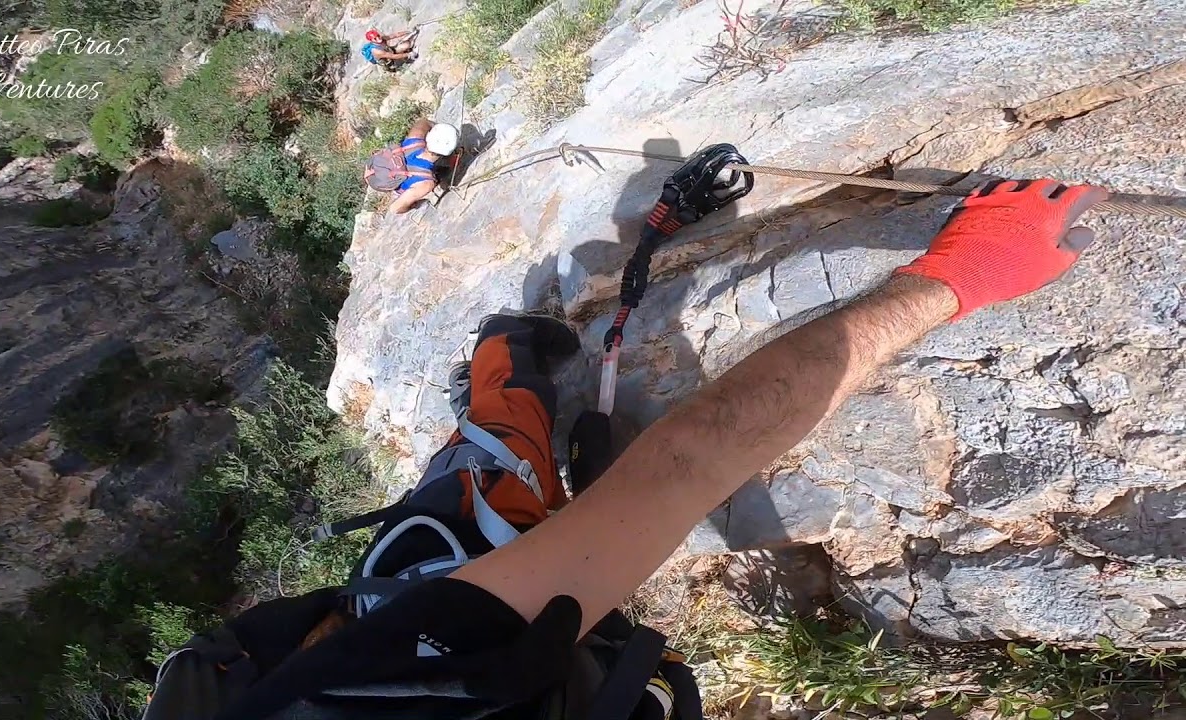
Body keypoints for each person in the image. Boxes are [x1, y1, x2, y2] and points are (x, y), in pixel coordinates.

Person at [143, 146, 1108, 719]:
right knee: (502, 488)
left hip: (453, 608)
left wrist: (957, 277)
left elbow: (685, 464)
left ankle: (505, 356)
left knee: (499, 456)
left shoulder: (381, 692)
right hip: (488, 635)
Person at [385, 117, 458, 214]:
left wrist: (438, 133)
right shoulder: (426, 184)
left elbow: (424, 122)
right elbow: (394, 209)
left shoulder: (416, 136)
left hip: (388, 168)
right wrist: (415, 205)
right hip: (402, 185)